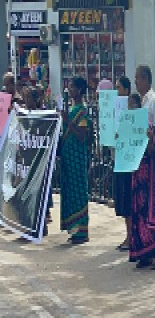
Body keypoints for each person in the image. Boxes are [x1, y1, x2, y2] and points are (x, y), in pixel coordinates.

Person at [129, 64, 155, 270]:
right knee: (140, 206)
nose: (136, 82)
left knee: (153, 206)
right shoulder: (141, 102)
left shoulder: (154, 102)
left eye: (138, 78)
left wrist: (151, 134)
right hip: (138, 161)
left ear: (146, 79)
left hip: (150, 161)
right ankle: (144, 250)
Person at [59, 76, 91, 244]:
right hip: (68, 159)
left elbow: (81, 136)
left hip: (77, 160)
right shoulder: (72, 110)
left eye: (71, 87)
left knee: (79, 192)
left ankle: (82, 231)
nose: (69, 90)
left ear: (78, 90)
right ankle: (73, 229)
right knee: (70, 191)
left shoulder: (82, 112)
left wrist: (67, 122)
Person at [113, 75, 136, 250]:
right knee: (122, 200)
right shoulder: (116, 110)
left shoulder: (131, 114)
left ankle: (131, 236)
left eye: (119, 88)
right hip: (120, 160)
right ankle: (128, 235)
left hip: (130, 163)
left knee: (129, 200)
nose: (117, 91)